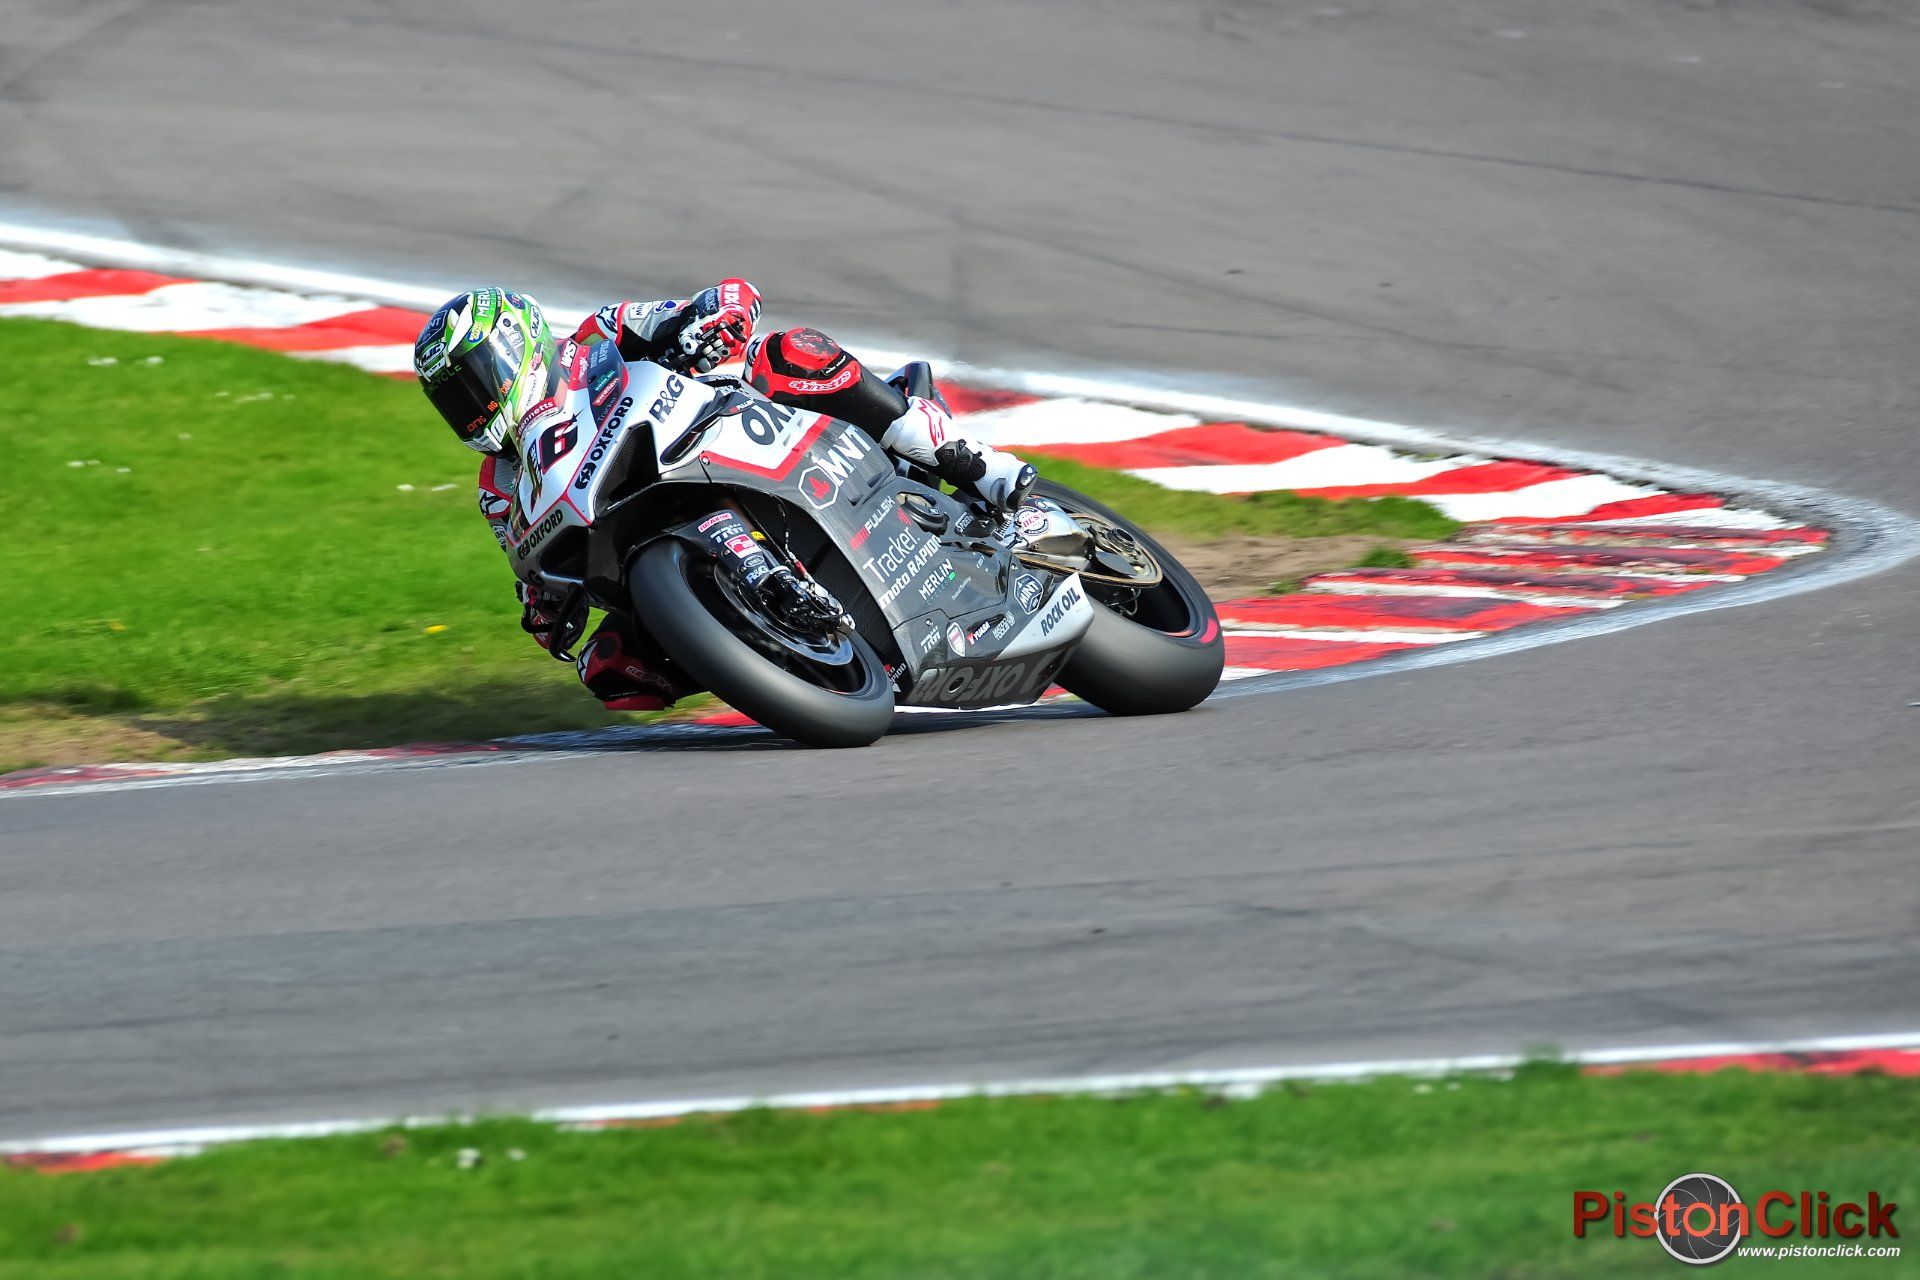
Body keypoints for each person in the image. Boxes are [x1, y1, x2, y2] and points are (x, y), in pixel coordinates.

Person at [412, 282, 1036, 711]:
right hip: (632, 527)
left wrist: (715, 320)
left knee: (790, 353)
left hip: (728, 431)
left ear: (518, 346)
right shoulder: (498, 488)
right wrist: (546, 611)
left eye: (479, 383)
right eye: (457, 402)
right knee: (611, 669)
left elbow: (723, 299)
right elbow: (532, 574)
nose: (477, 408)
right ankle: (784, 663)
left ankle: (976, 465)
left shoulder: (596, 337)